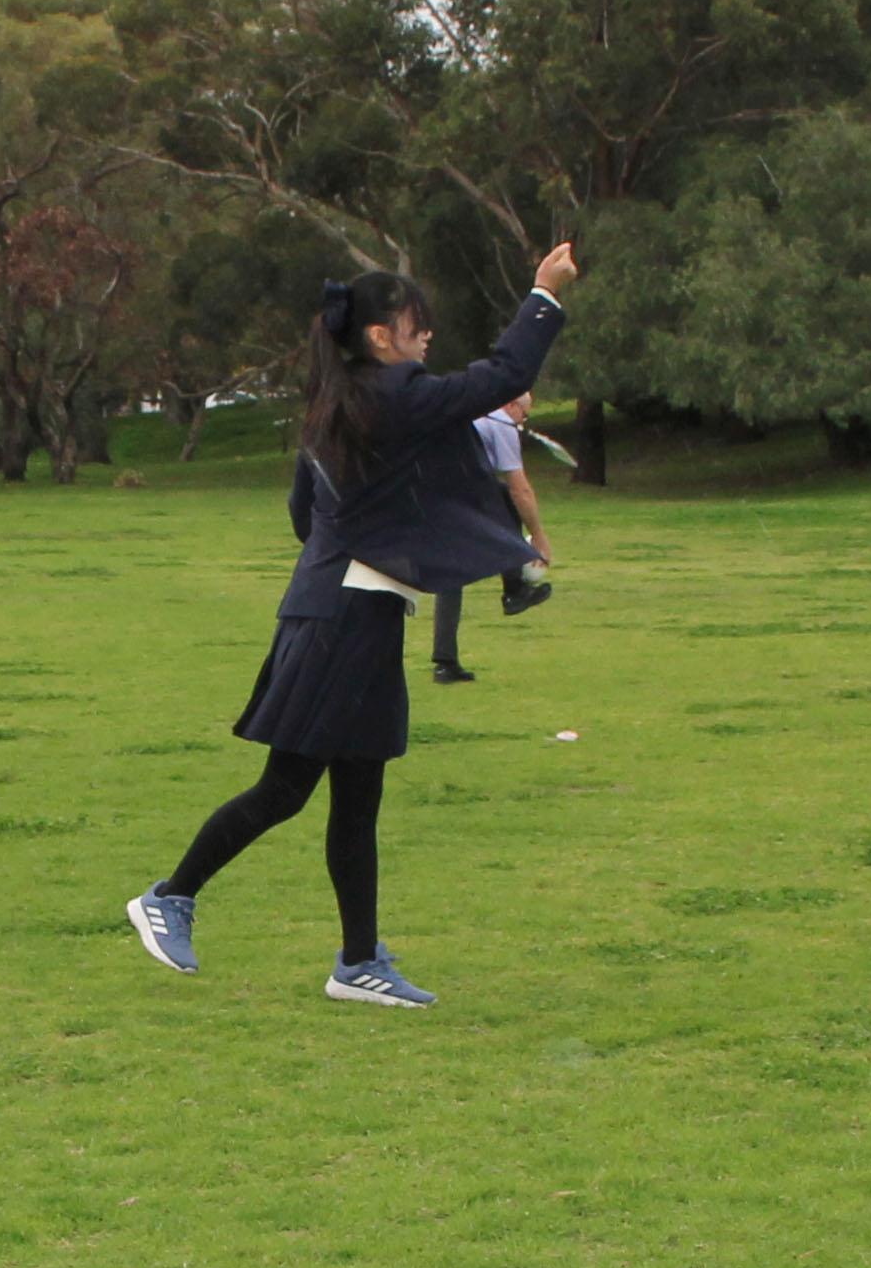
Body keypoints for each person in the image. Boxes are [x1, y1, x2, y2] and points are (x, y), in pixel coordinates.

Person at [127, 244, 573, 1007]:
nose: (426, 336)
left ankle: (358, 963)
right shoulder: (391, 396)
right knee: (286, 788)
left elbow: (305, 516)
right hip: (343, 619)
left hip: (346, 610)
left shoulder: (341, 401)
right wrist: (544, 294)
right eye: (415, 324)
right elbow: (501, 377)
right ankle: (170, 896)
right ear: (378, 337)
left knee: (357, 798)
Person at [426, 400, 557, 684]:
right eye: (524, 414)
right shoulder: (501, 425)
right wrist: (538, 536)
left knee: (452, 573)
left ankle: (445, 663)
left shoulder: (472, 412)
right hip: (457, 495)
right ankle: (514, 590)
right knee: (510, 499)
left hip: (434, 492)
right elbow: (521, 489)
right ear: (510, 405)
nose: (523, 421)